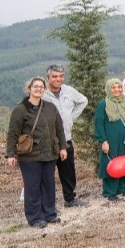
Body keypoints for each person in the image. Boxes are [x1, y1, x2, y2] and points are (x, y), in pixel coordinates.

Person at [6, 77, 67, 227]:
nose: (38, 89)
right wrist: (11, 154)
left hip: (49, 153)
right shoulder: (20, 109)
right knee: (32, 187)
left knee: (48, 184)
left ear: (44, 90)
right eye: (35, 87)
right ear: (29, 89)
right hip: (29, 156)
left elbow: (59, 129)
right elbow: (12, 133)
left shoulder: (50, 107)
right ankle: (35, 218)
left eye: (41, 87)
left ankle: (49, 214)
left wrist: (62, 147)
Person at [41, 65, 89, 208]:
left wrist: (70, 119)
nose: (58, 79)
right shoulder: (42, 93)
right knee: (47, 174)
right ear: (48, 78)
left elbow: (83, 101)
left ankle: (70, 199)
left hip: (66, 138)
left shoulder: (68, 91)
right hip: (48, 140)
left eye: (61, 76)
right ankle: (48, 204)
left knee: (68, 170)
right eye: (55, 76)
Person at [95, 78, 125, 201]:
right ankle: (110, 192)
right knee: (112, 162)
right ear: (109, 89)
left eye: (119, 87)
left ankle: (122, 189)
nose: (117, 90)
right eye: (113, 88)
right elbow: (99, 123)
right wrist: (103, 140)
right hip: (111, 139)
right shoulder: (103, 104)